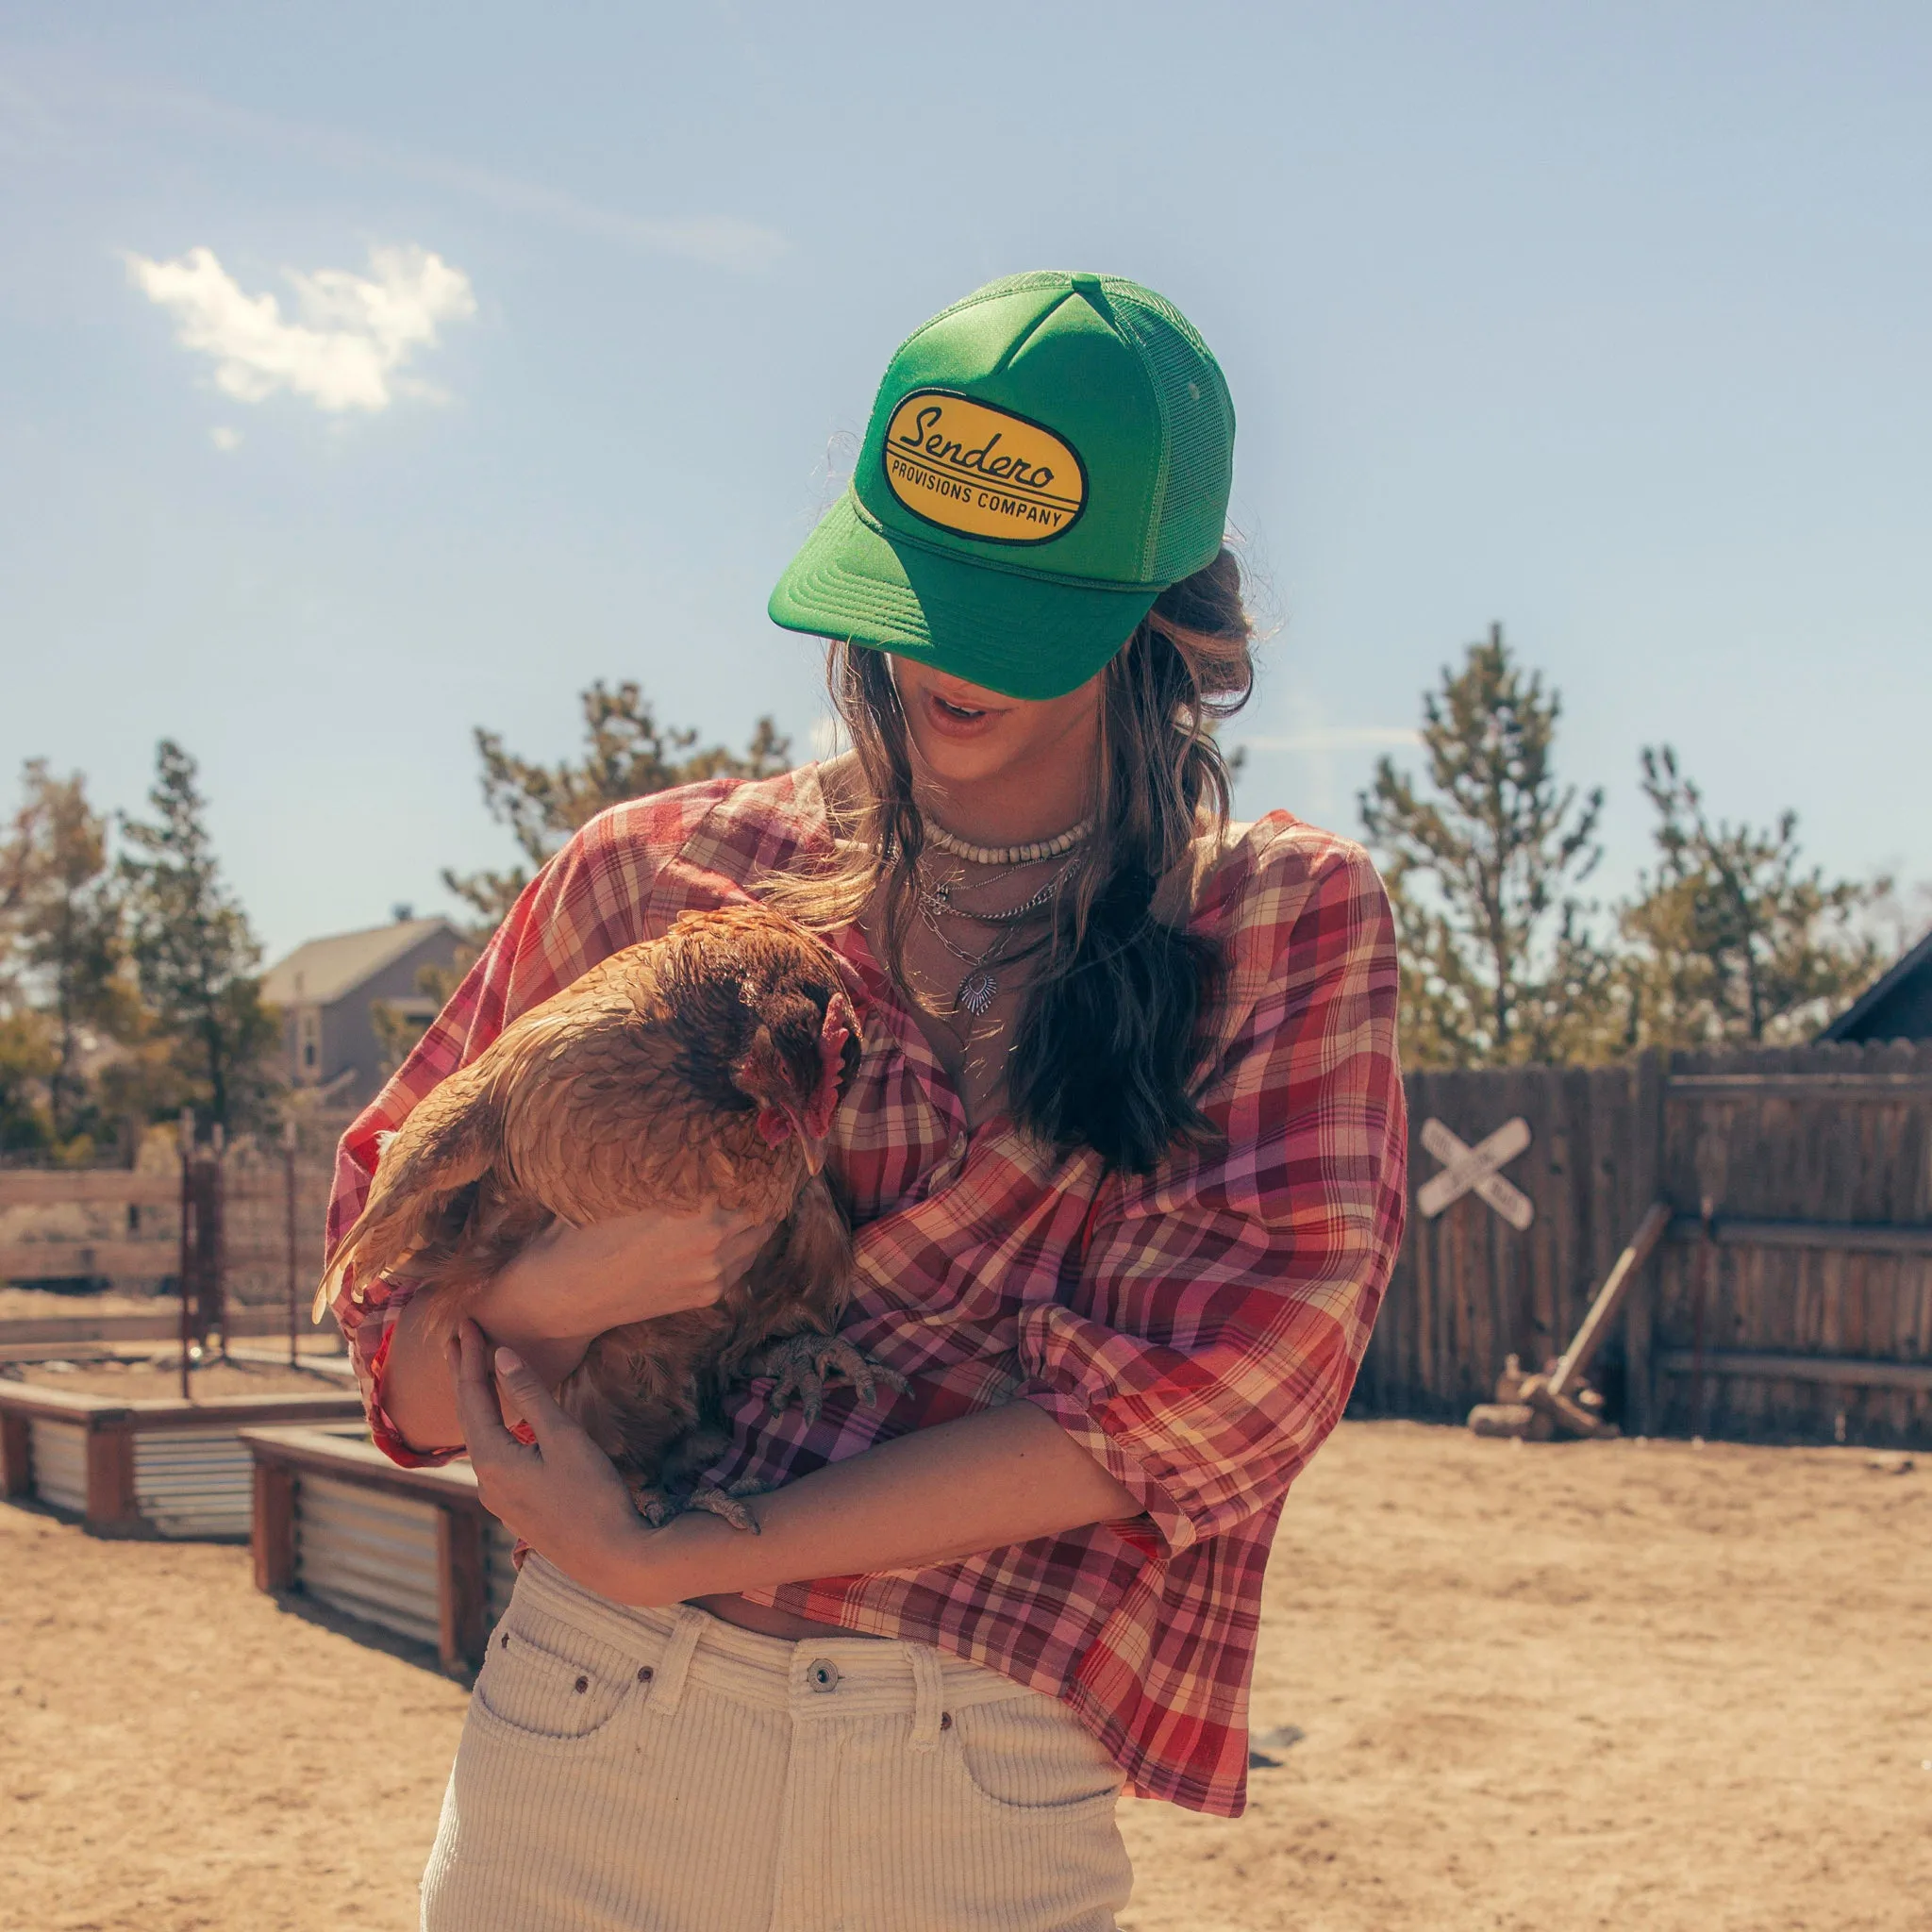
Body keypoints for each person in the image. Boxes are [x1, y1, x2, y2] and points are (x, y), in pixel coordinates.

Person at [325, 270, 1407, 1932]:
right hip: (594, 1729)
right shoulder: (657, 876)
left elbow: (1224, 1395)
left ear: (1165, 621)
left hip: (965, 1783)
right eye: (917, 588)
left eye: (1015, 608)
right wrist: (564, 1293)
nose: (935, 660)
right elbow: (399, 1357)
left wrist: (680, 1548)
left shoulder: (1275, 924)